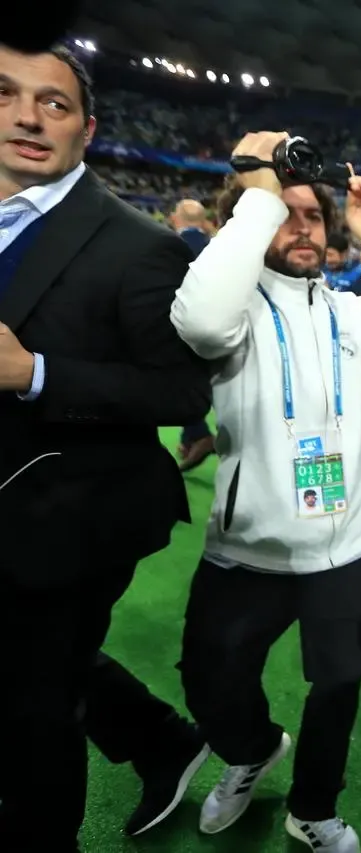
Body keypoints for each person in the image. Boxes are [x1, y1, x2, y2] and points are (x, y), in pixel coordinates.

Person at [168, 131, 361, 852]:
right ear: (256, 219)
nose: (302, 227)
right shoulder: (230, 307)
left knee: (337, 693)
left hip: (347, 552)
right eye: (284, 213)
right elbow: (198, 322)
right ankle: (253, 747)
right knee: (210, 685)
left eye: (312, 217)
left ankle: (313, 807)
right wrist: (257, 198)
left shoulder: (351, 310)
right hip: (246, 554)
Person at [0, 44, 212, 850]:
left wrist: (37, 372)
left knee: (33, 707)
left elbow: (180, 391)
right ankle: (160, 737)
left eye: (53, 103)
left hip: (69, 522)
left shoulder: (136, 243)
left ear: (86, 130)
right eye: (6, 94)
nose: (27, 115)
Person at [168, 198, 217, 471]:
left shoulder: (170, 244)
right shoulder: (219, 246)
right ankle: (193, 438)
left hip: (182, 328)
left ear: (177, 218)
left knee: (177, 382)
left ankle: (198, 435)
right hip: (224, 327)